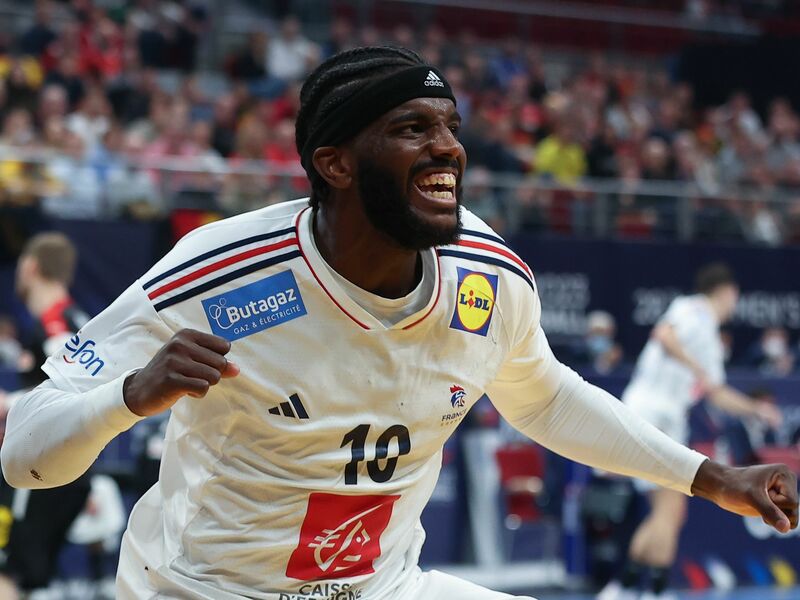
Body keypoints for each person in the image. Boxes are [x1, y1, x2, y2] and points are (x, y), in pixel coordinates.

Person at [2, 48, 797, 600]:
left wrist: (707, 477)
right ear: (335, 162)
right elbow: (25, 455)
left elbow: (544, 397)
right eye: (413, 129)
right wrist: (129, 398)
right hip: (209, 588)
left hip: (385, 586)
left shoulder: (489, 277)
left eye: (448, 126)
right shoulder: (219, 273)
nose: (448, 148)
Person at [599, 263, 785, 600]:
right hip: (653, 414)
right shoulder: (692, 308)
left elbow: (717, 392)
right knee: (672, 509)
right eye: (735, 296)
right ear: (726, 291)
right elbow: (665, 336)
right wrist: (697, 368)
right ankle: (652, 591)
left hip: (662, 420)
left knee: (665, 511)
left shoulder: (711, 338)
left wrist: (757, 409)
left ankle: (623, 589)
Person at [0, 233, 93, 596]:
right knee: (23, 576)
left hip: (41, 469)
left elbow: (77, 386)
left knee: (8, 570)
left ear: (30, 266)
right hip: (59, 465)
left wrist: (10, 404)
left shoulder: (58, 324)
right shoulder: (71, 319)